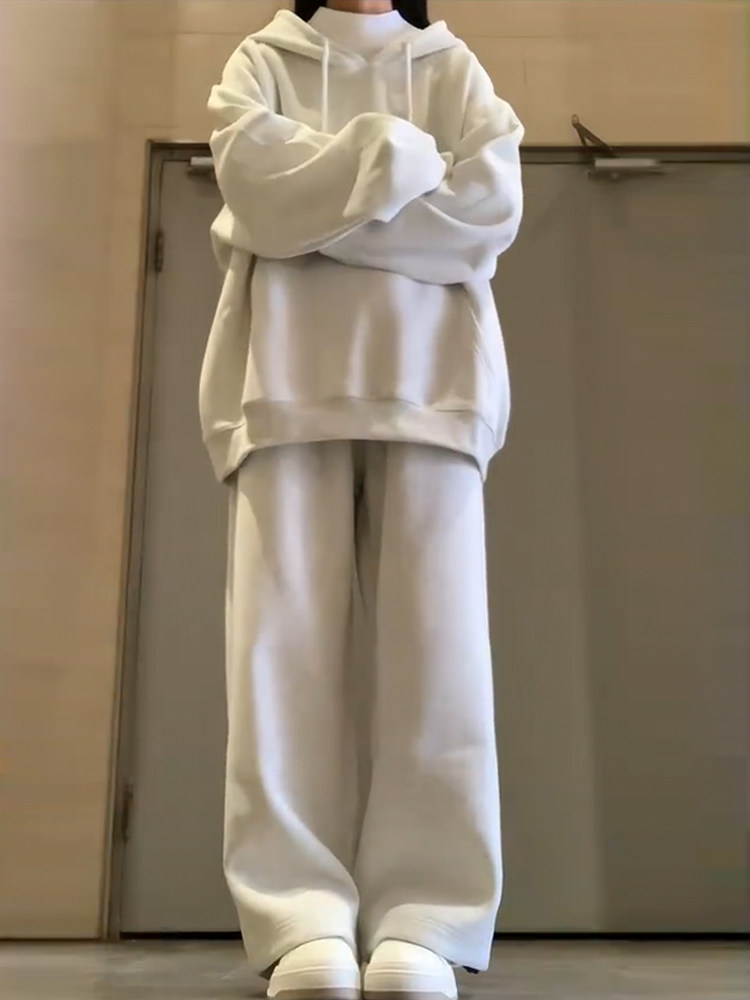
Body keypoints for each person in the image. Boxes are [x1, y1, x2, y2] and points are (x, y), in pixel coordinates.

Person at [201, 1, 524, 998]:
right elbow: (253, 185)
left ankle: (429, 916)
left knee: (439, 653)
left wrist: (321, 208)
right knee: (279, 655)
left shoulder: (453, 67)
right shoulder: (262, 60)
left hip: (437, 385)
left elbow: (486, 212)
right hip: (283, 378)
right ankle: (298, 915)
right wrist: (397, 156)